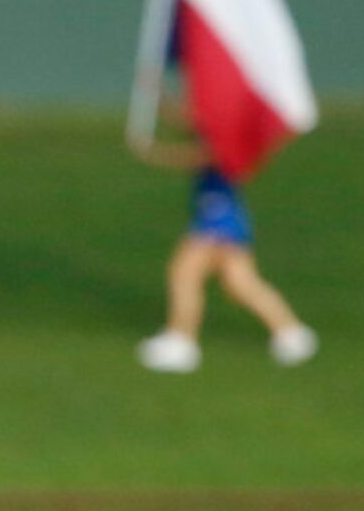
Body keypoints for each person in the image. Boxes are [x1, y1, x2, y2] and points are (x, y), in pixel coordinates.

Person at [131, 118, 316, 374]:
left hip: (216, 217)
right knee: (241, 284)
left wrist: (155, 153)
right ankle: (292, 333)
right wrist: (160, 96)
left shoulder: (227, 137)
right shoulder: (221, 124)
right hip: (228, 218)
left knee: (184, 274)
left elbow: (202, 156)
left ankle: (181, 342)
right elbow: (191, 124)